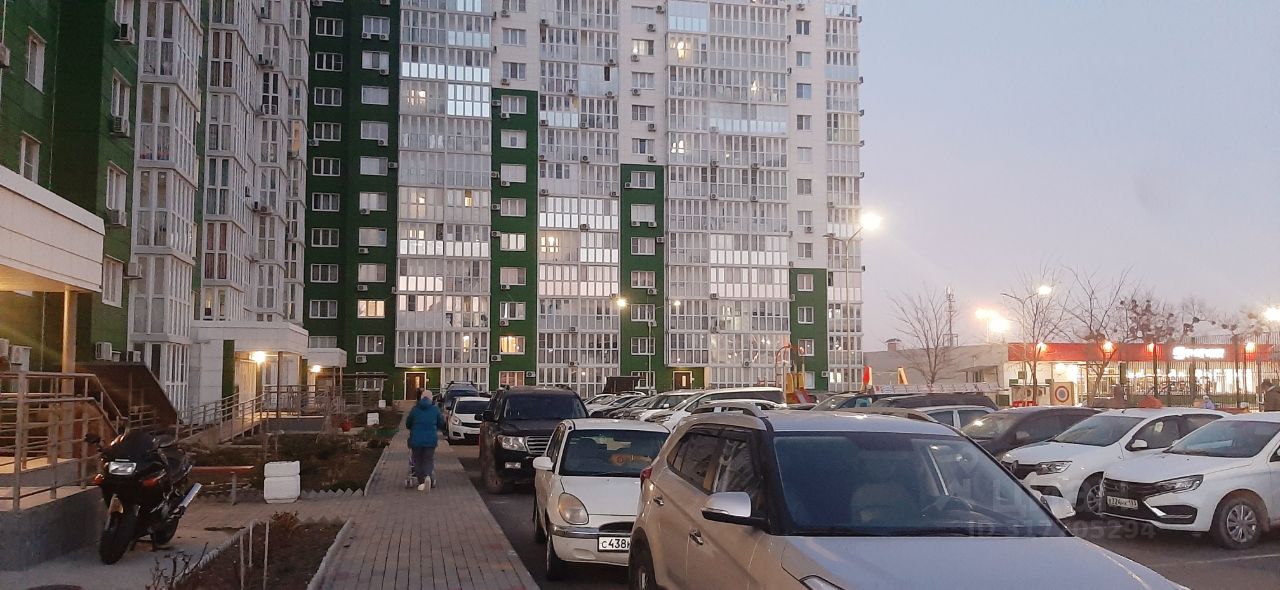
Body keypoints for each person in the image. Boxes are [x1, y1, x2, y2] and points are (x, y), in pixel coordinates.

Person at [405, 388, 445, 491]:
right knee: (428, 459)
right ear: (431, 399)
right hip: (430, 440)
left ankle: (421, 482)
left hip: (416, 440)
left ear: (421, 398)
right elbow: (441, 423)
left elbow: (408, 424)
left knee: (417, 460)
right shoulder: (435, 410)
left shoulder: (415, 409)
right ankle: (427, 476)